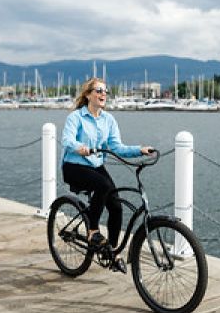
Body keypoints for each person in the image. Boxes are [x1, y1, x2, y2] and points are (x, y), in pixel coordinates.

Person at [61, 77, 153, 274]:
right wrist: (80, 148)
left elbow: (117, 147)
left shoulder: (108, 120)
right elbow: (66, 139)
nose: (103, 94)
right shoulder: (76, 117)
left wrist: (140, 150)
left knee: (116, 207)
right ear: (88, 95)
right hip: (74, 165)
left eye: (105, 91)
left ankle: (110, 252)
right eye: (98, 90)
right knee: (103, 186)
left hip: (95, 165)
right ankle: (93, 231)